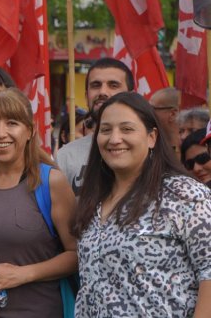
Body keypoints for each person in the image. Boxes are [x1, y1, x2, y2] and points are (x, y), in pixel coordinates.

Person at [73, 92, 211, 317]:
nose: (114, 139)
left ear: (152, 137)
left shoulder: (184, 194)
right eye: (106, 130)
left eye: (127, 129)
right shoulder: (93, 202)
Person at [0, 89, 77, 317]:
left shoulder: (51, 182)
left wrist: (23, 274)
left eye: (12, 123)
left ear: (29, 131)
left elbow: (77, 254)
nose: (0, 133)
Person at [56, 57, 134, 196]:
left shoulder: (149, 151)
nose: (103, 92)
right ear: (86, 97)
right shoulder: (66, 157)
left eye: (113, 85)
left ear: (131, 95)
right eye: (96, 85)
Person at [149, 87, 181, 157]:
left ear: (173, 114)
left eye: (152, 108)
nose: (149, 112)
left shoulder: (188, 148)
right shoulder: (149, 146)